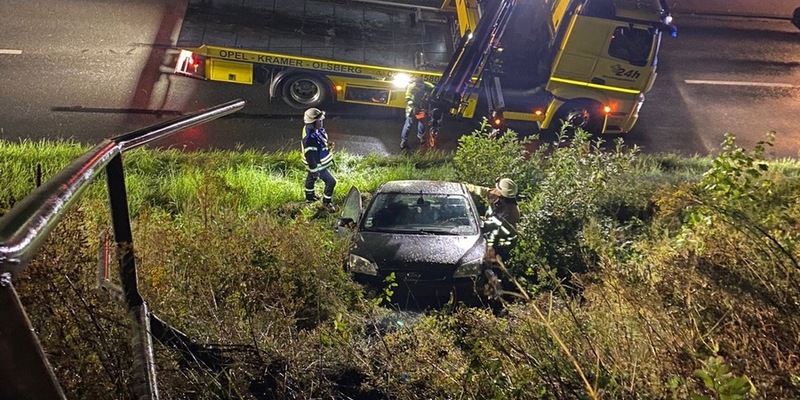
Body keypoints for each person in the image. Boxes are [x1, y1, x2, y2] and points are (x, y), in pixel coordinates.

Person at [465, 177, 521, 262]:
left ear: (502, 194)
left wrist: (481, 224)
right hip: (490, 235)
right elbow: (483, 191)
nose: (494, 191)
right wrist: (466, 187)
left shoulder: (512, 212)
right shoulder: (496, 195)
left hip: (502, 245)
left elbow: (498, 228)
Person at [301, 107, 337, 212]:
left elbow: (319, 143)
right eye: (319, 120)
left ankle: (309, 198)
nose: (321, 122)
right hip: (317, 165)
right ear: (312, 122)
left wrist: (326, 146)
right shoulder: (310, 139)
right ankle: (327, 203)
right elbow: (310, 156)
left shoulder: (313, 130)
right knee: (331, 182)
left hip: (315, 162)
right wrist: (315, 171)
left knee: (311, 178)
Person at [399, 76, 435, 149]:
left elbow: (434, 91)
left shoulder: (428, 86)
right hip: (412, 108)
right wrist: (413, 106)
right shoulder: (411, 87)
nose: (418, 87)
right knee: (408, 124)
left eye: (420, 85)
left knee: (422, 123)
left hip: (422, 107)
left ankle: (421, 138)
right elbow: (408, 98)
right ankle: (403, 141)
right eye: (417, 85)